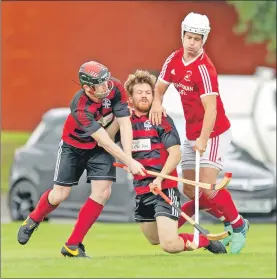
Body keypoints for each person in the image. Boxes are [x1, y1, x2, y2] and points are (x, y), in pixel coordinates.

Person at [17, 61, 146, 258]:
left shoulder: (115, 88)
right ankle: (34, 219)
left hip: (99, 150)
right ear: (87, 88)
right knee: (59, 195)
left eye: (106, 81)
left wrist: (129, 156)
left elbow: (124, 122)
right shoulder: (80, 106)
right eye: (100, 84)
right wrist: (129, 163)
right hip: (74, 147)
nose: (106, 86)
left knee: (103, 192)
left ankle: (72, 245)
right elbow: (104, 141)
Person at [149, 12, 249, 254]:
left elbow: (211, 110)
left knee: (206, 186)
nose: (192, 43)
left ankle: (238, 225)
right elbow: (159, 88)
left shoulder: (205, 69)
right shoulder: (173, 59)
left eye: (197, 38)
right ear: (182, 35)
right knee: (190, 190)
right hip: (192, 132)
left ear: (204, 39)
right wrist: (156, 103)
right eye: (189, 37)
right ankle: (228, 217)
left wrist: (203, 139)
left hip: (213, 132)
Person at [108, 69, 226, 254]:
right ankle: (188, 233)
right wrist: (119, 114)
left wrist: (160, 179)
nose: (144, 96)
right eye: (139, 93)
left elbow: (175, 154)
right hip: (141, 190)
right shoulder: (125, 122)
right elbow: (106, 139)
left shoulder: (161, 119)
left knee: (169, 245)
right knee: (154, 239)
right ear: (130, 97)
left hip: (164, 187)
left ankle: (202, 240)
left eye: (148, 93)